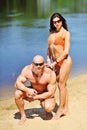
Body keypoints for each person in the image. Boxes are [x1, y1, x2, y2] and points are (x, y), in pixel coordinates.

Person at [14, 55, 57, 124]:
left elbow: (51, 93)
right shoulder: (27, 70)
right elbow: (17, 84)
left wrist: (35, 97)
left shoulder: (50, 74)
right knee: (17, 93)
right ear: (32, 64)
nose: (38, 66)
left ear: (44, 64)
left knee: (49, 108)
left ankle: (45, 106)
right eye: (36, 64)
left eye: (41, 64)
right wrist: (27, 90)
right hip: (33, 91)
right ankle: (23, 116)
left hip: (44, 92)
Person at [47, 13, 72, 119]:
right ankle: (65, 108)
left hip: (64, 61)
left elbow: (66, 52)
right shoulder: (51, 32)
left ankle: (60, 109)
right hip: (54, 62)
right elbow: (49, 48)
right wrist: (48, 58)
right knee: (63, 85)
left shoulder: (66, 33)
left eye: (58, 21)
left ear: (62, 21)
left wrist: (54, 62)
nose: (56, 23)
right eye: (54, 22)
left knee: (61, 85)